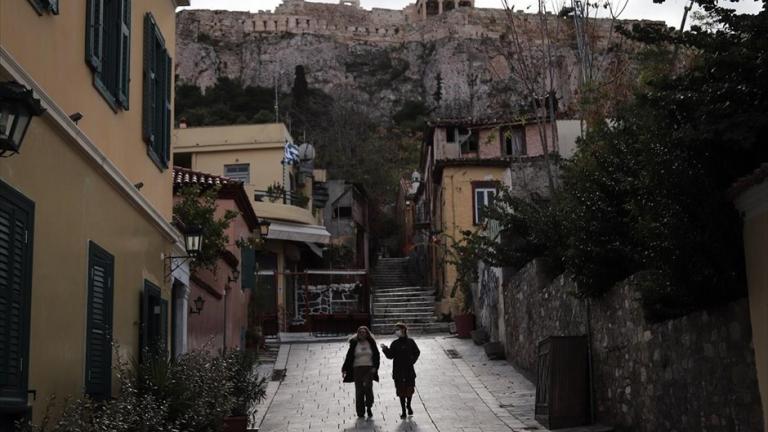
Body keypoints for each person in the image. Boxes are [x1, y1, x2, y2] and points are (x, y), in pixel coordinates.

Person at [380, 322, 421, 419]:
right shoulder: (395, 343)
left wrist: (412, 360)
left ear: (403, 330)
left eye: (398, 329)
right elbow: (390, 356)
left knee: (409, 390)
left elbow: (417, 352)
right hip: (398, 370)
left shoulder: (410, 342)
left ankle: (409, 405)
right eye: (395, 330)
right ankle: (403, 410)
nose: (396, 331)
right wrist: (385, 349)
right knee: (401, 391)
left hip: (409, 370)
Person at [342, 326, 380, 418]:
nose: (362, 334)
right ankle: (360, 412)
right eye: (360, 332)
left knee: (368, 388)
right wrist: (344, 368)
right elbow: (349, 356)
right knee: (359, 391)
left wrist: (375, 367)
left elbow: (376, 355)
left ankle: (369, 406)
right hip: (357, 369)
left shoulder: (371, 342)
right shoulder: (354, 343)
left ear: (367, 333)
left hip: (369, 368)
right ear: (357, 334)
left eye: (364, 332)